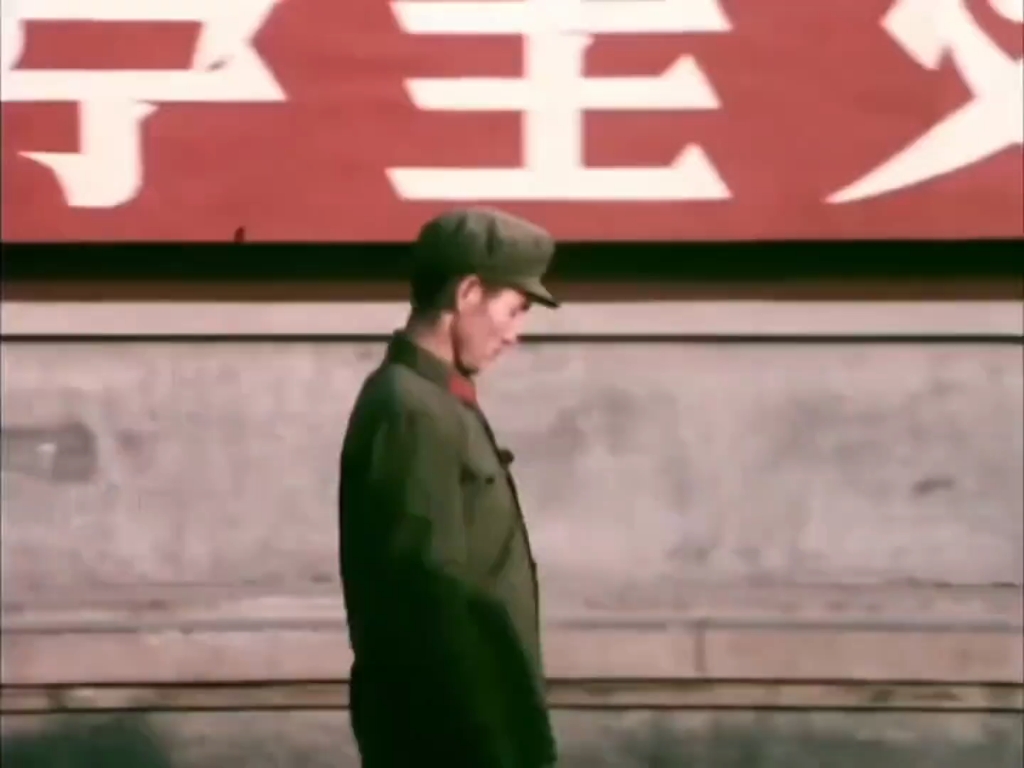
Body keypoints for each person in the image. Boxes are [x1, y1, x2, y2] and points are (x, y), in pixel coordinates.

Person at [338, 207, 560, 768]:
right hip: (457, 740)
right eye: (514, 310)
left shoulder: (435, 402)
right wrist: (489, 746)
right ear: (468, 292)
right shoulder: (411, 408)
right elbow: (428, 600)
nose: (515, 335)